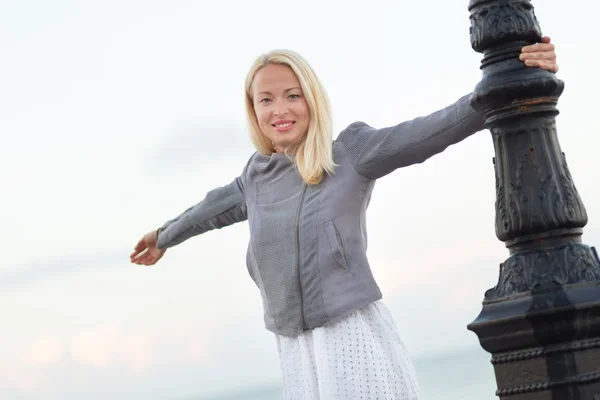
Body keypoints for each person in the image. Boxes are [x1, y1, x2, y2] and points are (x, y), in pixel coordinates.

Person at [130, 37, 559, 400]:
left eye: (292, 95)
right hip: (294, 348)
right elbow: (211, 208)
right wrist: (164, 235)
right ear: (254, 111)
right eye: (266, 99)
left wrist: (507, 83)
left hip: (351, 334)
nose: (279, 109)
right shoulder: (256, 176)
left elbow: (431, 131)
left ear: (311, 100)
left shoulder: (350, 153)